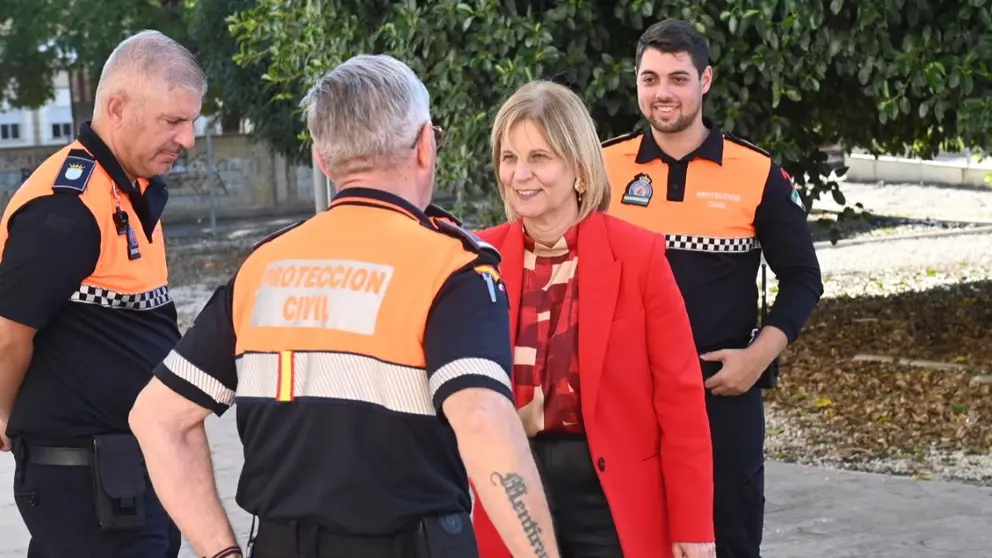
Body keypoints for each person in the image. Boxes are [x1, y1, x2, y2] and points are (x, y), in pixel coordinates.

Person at [127, 54, 561, 558]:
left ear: (323, 160)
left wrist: (221, 552)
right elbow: (484, 422)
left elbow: (157, 417)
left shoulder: (264, 268)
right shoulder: (452, 269)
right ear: (424, 146)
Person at [601, 18, 825, 558]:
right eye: (650, 78)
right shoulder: (602, 166)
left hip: (721, 396)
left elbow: (803, 278)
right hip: (625, 395)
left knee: (728, 541)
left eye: (678, 78)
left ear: (705, 81)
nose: (662, 93)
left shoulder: (756, 172)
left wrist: (756, 359)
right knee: (626, 539)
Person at [470, 79, 716, 558]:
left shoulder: (638, 254)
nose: (520, 174)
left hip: (609, 499)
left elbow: (681, 401)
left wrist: (693, 524)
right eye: (509, 157)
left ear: (580, 169)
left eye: (539, 157)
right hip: (506, 493)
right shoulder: (477, 259)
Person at [0, 30, 204, 557]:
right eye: (173, 121)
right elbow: (8, 333)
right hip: (86, 480)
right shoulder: (64, 209)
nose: (188, 139)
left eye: (191, 121)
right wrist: (2, 416)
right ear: (117, 107)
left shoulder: (128, 191)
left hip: (132, 472)